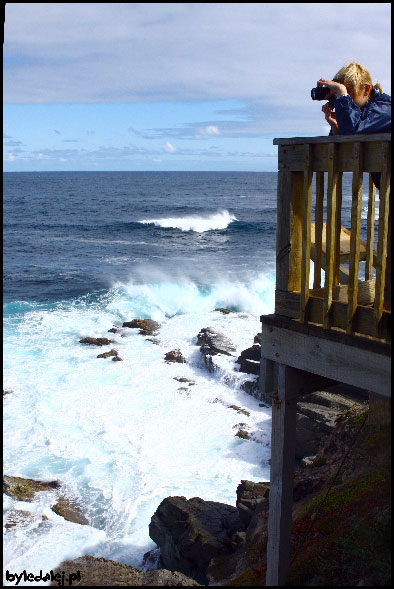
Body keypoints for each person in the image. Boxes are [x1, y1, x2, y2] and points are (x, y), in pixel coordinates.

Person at [317, 62, 391, 311]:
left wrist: (341, 97)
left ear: (367, 89)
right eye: (342, 92)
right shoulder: (365, 114)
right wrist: (335, 126)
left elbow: (358, 131)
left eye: (349, 92)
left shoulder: (385, 108)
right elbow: (353, 139)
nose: (344, 98)